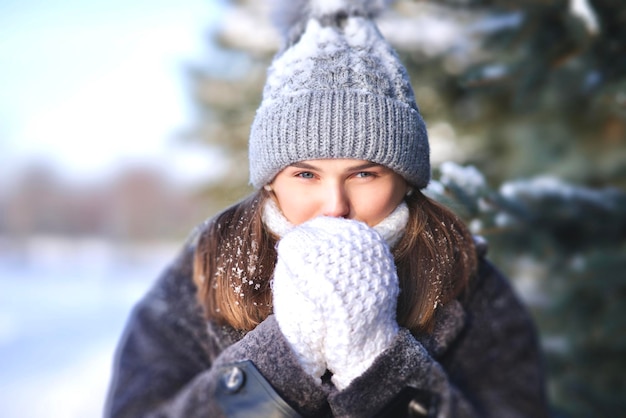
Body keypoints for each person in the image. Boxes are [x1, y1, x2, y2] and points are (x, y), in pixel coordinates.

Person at [105, 1, 550, 416]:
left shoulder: (465, 277)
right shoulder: (207, 267)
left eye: (364, 175)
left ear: (405, 179)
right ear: (271, 180)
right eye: (306, 175)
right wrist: (274, 365)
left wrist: (381, 366)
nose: (334, 205)